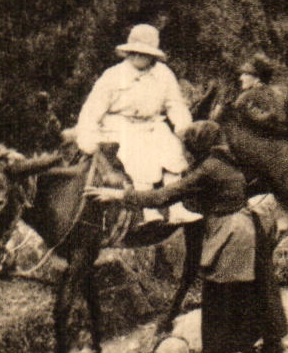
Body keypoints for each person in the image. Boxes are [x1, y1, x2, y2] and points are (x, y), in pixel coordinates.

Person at [89, 121, 287, 353]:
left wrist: (119, 195)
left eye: (188, 147)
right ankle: (266, 343)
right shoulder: (226, 160)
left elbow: (163, 196)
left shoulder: (209, 169)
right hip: (247, 227)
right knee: (252, 288)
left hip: (231, 231)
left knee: (217, 292)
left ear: (198, 145)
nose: (186, 153)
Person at [75, 23, 201, 225]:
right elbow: (92, 109)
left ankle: (176, 208)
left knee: (172, 150)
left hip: (152, 123)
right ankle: (149, 210)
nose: (137, 57)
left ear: (153, 56)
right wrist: (88, 136)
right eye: (133, 53)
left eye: (143, 54)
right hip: (120, 126)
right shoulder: (113, 75)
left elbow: (174, 104)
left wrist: (183, 127)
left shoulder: (164, 74)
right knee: (139, 154)